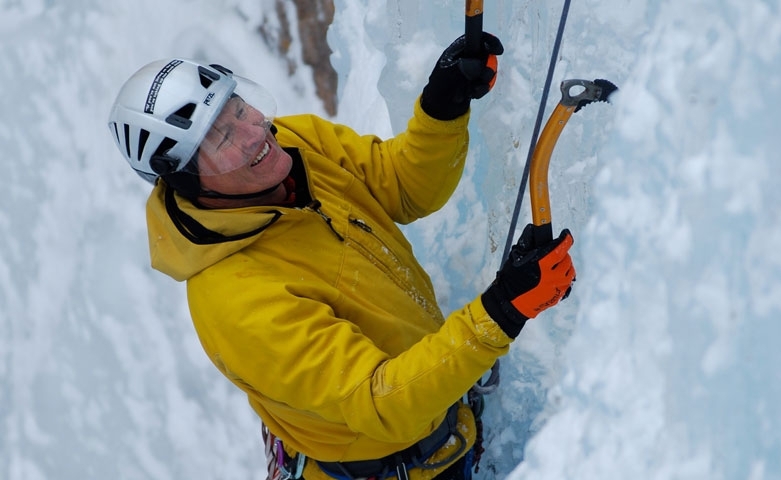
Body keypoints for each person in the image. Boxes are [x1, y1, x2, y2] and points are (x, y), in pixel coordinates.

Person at [108, 32, 575, 480]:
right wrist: (500, 311)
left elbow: (401, 187)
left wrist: (442, 107)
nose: (255, 134)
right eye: (223, 140)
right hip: (393, 461)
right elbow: (381, 401)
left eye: (239, 108)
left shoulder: (294, 145)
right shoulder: (236, 300)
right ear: (185, 178)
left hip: (437, 409)